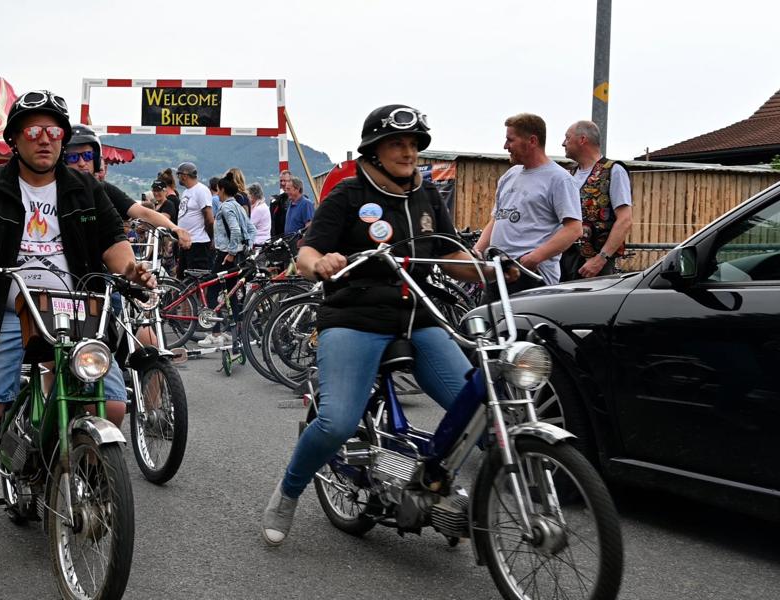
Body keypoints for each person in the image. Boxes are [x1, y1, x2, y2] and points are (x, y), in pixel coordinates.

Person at [0, 90, 153, 570]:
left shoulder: (86, 189)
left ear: (63, 139)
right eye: (33, 130)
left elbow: (113, 242)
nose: (45, 139)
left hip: (75, 309)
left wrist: (131, 269)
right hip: (2, 308)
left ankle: (74, 468)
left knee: (110, 402)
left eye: (54, 131)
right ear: (14, 138)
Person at [261, 105, 515, 546]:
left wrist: (489, 271)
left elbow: (451, 253)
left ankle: (434, 484)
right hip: (354, 319)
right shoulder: (347, 195)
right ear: (374, 151)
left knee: (477, 408)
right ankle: (289, 490)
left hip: (417, 317)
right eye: (398, 143)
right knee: (337, 422)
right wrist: (321, 261)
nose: (408, 151)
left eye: (414, 143)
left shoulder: (428, 195)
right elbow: (306, 254)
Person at [473, 113, 581, 292]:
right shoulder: (510, 175)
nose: (505, 146)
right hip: (499, 271)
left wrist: (535, 257)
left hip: (531, 275)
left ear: (532, 141)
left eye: (510, 140)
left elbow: (573, 229)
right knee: (485, 319)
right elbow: (497, 219)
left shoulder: (559, 179)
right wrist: (476, 252)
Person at [64, 124, 190, 249]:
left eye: (87, 156)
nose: (81, 163)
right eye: (73, 157)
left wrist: (175, 228)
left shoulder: (103, 189)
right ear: (64, 161)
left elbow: (143, 213)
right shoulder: (56, 190)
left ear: (96, 159)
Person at [560, 120, 633, 279]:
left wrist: (601, 259)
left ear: (582, 139)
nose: (563, 143)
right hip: (566, 259)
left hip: (597, 265)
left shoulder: (614, 171)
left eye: (567, 138)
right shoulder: (568, 175)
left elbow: (625, 220)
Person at [198, 175, 252, 348]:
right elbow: (251, 228)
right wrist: (245, 247)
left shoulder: (226, 207)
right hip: (239, 255)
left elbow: (235, 230)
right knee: (231, 293)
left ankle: (215, 333)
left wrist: (230, 252)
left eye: (218, 190)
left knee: (212, 292)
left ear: (221, 190)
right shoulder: (239, 206)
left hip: (225, 255)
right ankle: (233, 332)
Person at [176, 161, 215, 276]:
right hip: (186, 242)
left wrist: (211, 237)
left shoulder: (201, 190)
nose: (178, 178)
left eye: (178, 175)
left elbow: (209, 217)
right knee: (182, 278)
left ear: (184, 176)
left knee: (198, 278)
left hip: (198, 242)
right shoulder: (186, 192)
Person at [270, 169, 293, 237]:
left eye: (285, 181)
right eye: (281, 181)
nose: (282, 183)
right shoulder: (277, 201)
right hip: (279, 238)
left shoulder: (300, 200)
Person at [248, 182, 271, 247]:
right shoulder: (262, 205)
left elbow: (249, 225)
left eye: (249, 195)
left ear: (254, 195)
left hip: (259, 243)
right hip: (262, 241)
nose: (248, 197)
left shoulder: (259, 209)